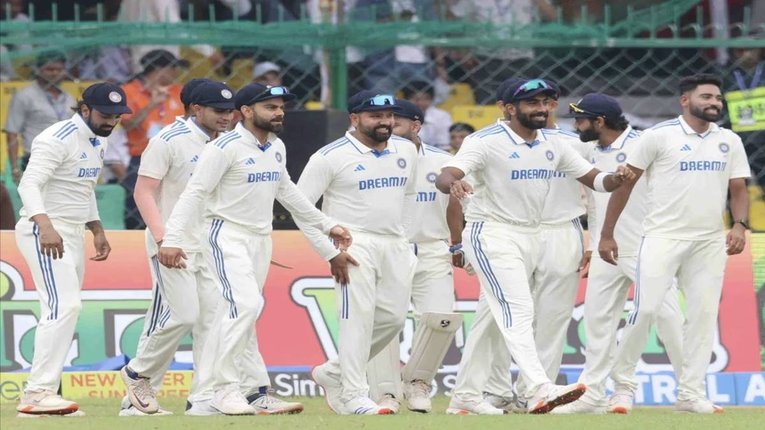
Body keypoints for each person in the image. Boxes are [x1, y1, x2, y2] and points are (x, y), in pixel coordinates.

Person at [436, 78, 636, 415]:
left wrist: (618, 178)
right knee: (518, 310)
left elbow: (595, 180)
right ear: (508, 108)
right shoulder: (484, 140)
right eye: (532, 103)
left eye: (546, 102)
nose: (542, 109)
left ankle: (467, 395)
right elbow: (447, 174)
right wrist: (453, 183)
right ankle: (540, 387)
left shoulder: (553, 142)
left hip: (539, 235)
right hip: (494, 233)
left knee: (502, 315)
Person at [154, 83, 351, 416]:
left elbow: (287, 192)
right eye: (270, 107)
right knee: (245, 305)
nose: (279, 113)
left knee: (241, 311)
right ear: (246, 111)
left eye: (281, 107)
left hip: (260, 238)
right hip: (225, 235)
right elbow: (194, 193)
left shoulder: (276, 146)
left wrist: (326, 224)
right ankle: (223, 390)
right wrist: (172, 239)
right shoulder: (224, 147)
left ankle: (245, 393)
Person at [598, 74, 750, 414]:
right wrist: (607, 234)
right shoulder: (657, 136)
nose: (715, 103)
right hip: (661, 236)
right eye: (706, 97)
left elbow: (738, 188)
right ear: (685, 100)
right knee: (645, 310)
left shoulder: (729, 140)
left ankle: (690, 393)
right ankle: (622, 387)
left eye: (718, 98)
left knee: (702, 317)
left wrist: (740, 225)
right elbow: (625, 185)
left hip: (708, 241)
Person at [551, 93, 684, 414]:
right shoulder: (587, 150)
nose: (576, 126)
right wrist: (592, 244)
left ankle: (689, 390)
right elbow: (591, 199)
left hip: (646, 246)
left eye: (581, 120)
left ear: (599, 122)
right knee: (598, 322)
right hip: (605, 249)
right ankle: (595, 395)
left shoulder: (643, 144)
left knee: (668, 318)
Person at [119, 81, 236, 416]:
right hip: (173, 242)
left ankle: (202, 397)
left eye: (230, 111)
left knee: (212, 320)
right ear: (196, 109)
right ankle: (138, 373)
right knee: (183, 314)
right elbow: (143, 192)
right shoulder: (168, 140)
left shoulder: (228, 142)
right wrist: (162, 239)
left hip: (210, 242)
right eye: (219, 110)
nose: (227, 117)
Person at [14, 82, 132, 417]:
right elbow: (29, 184)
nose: (112, 121)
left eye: (117, 116)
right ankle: (37, 393)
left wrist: (96, 228)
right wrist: (46, 226)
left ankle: (45, 393)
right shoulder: (56, 137)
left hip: (72, 231)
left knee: (64, 309)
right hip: (44, 231)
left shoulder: (98, 138)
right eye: (106, 115)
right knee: (64, 306)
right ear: (84, 109)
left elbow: (83, 187)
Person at [301, 91, 419, 415]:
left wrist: (405, 239)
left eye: (389, 115)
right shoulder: (329, 157)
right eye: (375, 116)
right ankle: (354, 395)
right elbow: (302, 208)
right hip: (353, 243)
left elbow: (409, 196)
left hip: (394, 244)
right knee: (357, 320)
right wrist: (329, 252)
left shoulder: (406, 150)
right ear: (354, 119)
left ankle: (333, 372)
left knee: (393, 319)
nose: (385, 122)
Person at [366, 99, 465, 414]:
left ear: (417, 126)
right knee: (385, 321)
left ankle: (417, 382)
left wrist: (457, 243)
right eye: (384, 119)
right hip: (390, 249)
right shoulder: (374, 158)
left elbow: (455, 204)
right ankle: (385, 393)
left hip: (432, 247)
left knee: (443, 319)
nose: (388, 125)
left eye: (396, 122)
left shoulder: (443, 161)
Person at [121, 49, 187, 229]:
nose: (176, 73)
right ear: (159, 69)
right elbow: (127, 124)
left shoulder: (179, 91)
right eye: (173, 68)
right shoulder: (129, 91)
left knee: (174, 208)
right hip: (142, 157)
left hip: (176, 157)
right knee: (138, 213)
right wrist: (152, 104)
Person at [4, 51, 74, 184]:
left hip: (66, 160)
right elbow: (12, 133)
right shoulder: (25, 96)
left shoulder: (68, 98)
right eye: (50, 69)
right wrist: (14, 168)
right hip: (37, 160)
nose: (55, 73)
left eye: (59, 70)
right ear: (38, 70)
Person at [403, 81, 453, 151]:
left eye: (425, 99)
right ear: (406, 99)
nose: (420, 103)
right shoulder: (399, 116)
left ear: (431, 100)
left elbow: (444, 145)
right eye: (416, 99)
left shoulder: (442, 116)